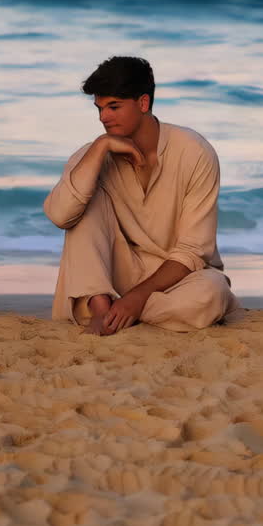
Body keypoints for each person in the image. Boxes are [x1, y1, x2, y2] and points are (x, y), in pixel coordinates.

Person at [45, 56, 238, 335]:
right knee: (82, 204)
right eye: (99, 108)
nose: (103, 118)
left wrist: (136, 301)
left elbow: (192, 251)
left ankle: (113, 313)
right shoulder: (93, 155)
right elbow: (60, 215)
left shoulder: (195, 152)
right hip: (111, 278)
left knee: (212, 293)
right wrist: (101, 147)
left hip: (174, 280)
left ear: (143, 103)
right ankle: (102, 308)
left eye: (114, 107)